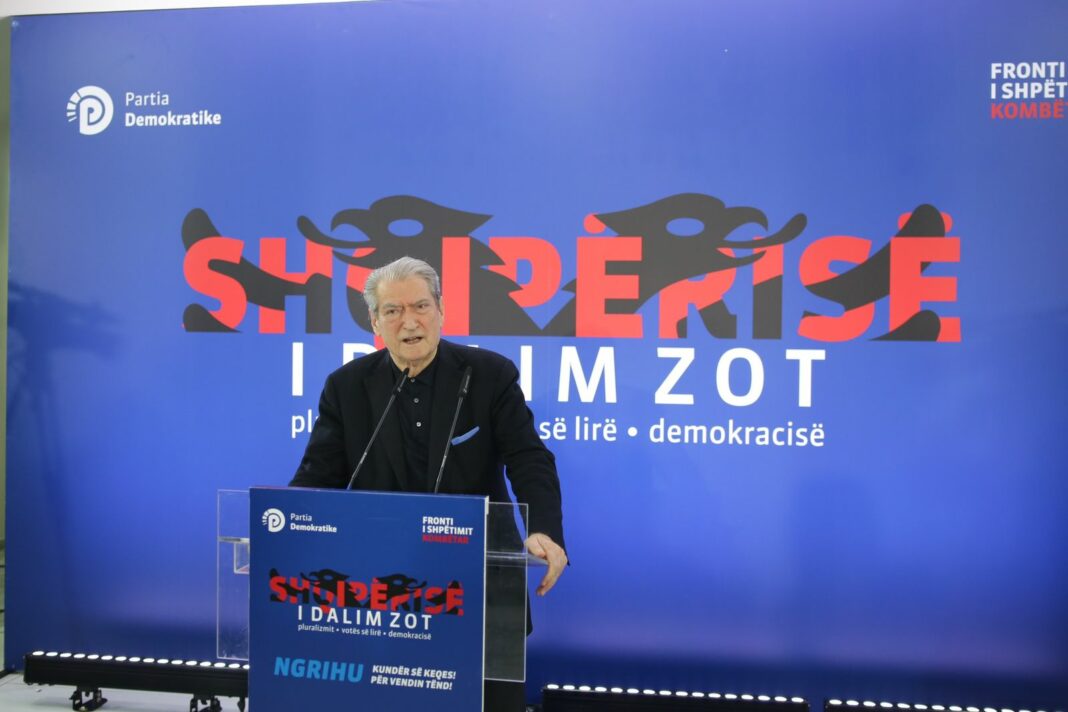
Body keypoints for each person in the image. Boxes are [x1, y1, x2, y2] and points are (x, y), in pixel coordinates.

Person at [290, 255, 567, 711]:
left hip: (479, 588)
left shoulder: (490, 376)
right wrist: (283, 535)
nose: (409, 321)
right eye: (393, 311)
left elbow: (528, 458)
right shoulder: (346, 387)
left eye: (420, 306)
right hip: (382, 595)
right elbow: (317, 477)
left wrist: (544, 529)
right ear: (375, 322)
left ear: (440, 310)